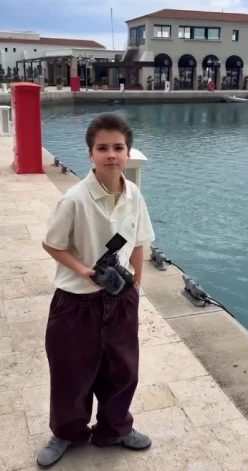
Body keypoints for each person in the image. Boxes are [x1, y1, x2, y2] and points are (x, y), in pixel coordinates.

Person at [37, 113, 155, 468]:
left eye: (118, 147)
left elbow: (139, 242)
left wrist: (136, 285)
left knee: (123, 370)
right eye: (103, 148)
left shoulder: (134, 195)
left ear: (128, 153)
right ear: (91, 154)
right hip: (76, 302)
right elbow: (52, 244)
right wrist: (85, 272)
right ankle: (68, 432)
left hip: (119, 300)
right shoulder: (74, 200)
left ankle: (114, 428)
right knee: (71, 373)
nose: (111, 155)